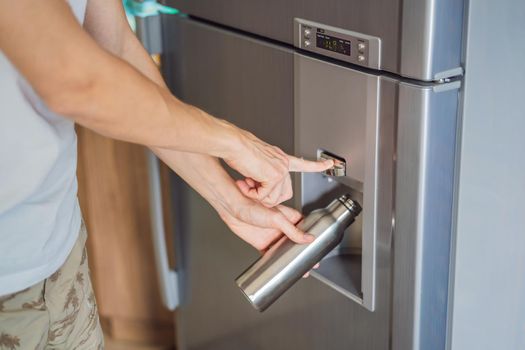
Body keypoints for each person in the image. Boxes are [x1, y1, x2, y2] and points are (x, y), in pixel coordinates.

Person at [0, 0, 334, 348]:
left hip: (56, 245)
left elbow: (112, 45)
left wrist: (228, 198)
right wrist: (235, 142)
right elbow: (75, 79)